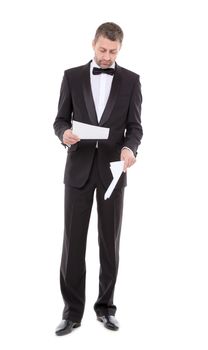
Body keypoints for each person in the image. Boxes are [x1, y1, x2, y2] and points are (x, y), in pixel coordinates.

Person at [53, 22, 143, 335]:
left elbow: (135, 127)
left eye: (113, 52)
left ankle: (106, 309)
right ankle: (72, 312)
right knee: (73, 244)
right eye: (102, 50)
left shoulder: (131, 81)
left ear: (120, 49)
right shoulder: (72, 76)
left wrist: (130, 149)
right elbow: (60, 119)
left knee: (110, 243)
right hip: (77, 170)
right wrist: (64, 133)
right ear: (94, 44)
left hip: (112, 173)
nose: (106, 57)